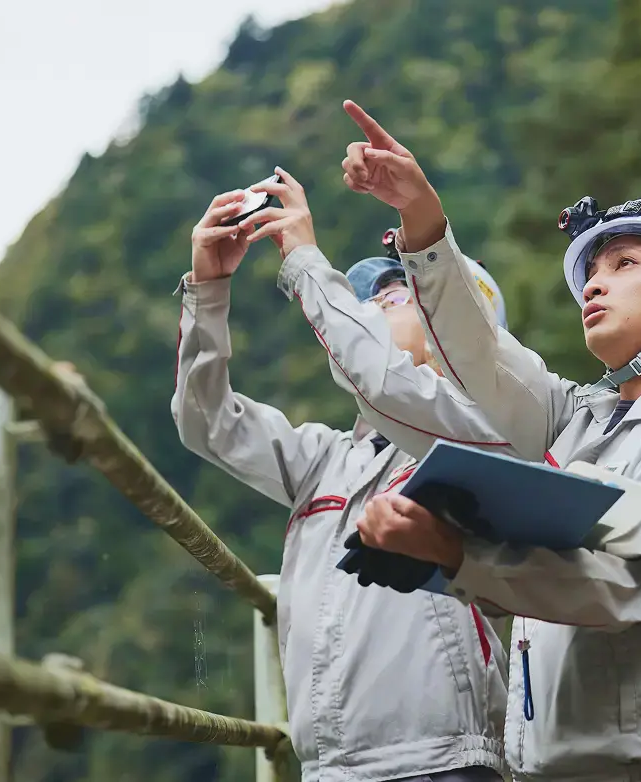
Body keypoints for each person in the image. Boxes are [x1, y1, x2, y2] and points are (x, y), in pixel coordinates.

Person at [338, 101, 641, 782]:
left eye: (625, 263)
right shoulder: (584, 418)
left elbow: (627, 584)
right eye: (592, 271)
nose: (594, 282)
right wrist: (421, 219)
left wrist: (454, 552)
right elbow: (482, 357)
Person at [171, 171, 515, 782]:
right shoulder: (326, 459)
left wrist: (303, 254)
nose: (374, 308)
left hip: (441, 764)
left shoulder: (481, 428)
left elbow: (379, 377)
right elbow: (207, 421)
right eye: (369, 302)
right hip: (329, 769)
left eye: (397, 296)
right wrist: (209, 287)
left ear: (465, 328)